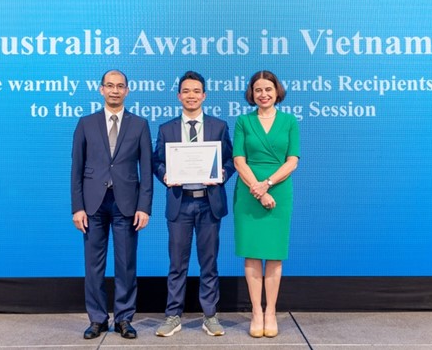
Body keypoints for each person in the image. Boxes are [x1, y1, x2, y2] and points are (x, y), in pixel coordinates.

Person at [70, 69, 153, 340]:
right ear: (101, 89)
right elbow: (76, 169)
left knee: (126, 263)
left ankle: (124, 318)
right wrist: (77, 207)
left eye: (120, 86)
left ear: (127, 90)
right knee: (93, 264)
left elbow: (147, 169)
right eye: (110, 86)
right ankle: (97, 319)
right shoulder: (86, 123)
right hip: (93, 205)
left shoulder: (140, 124)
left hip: (127, 204)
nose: (115, 90)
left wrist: (144, 206)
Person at [152, 71, 235, 337]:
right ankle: (173, 315)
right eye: (186, 91)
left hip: (209, 204)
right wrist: (165, 174)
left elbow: (231, 160)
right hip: (180, 203)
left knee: (209, 262)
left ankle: (210, 315)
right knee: (177, 263)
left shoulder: (218, 126)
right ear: (179, 96)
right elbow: (156, 161)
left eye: (196, 91)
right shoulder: (166, 128)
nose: (191, 96)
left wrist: (222, 174)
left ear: (204, 95)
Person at [232, 70, 300, 338]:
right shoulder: (243, 122)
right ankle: (256, 311)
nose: (263, 94)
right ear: (252, 93)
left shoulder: (290, 121)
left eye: (268, 89)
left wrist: (268, 184)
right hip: (249, 192)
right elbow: (239, 160)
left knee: (274, 254)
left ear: (277, 91)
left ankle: (270, 311)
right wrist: (257, 190)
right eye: (258, 90)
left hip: (279, 190)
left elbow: (292, 160)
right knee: (252, 253)